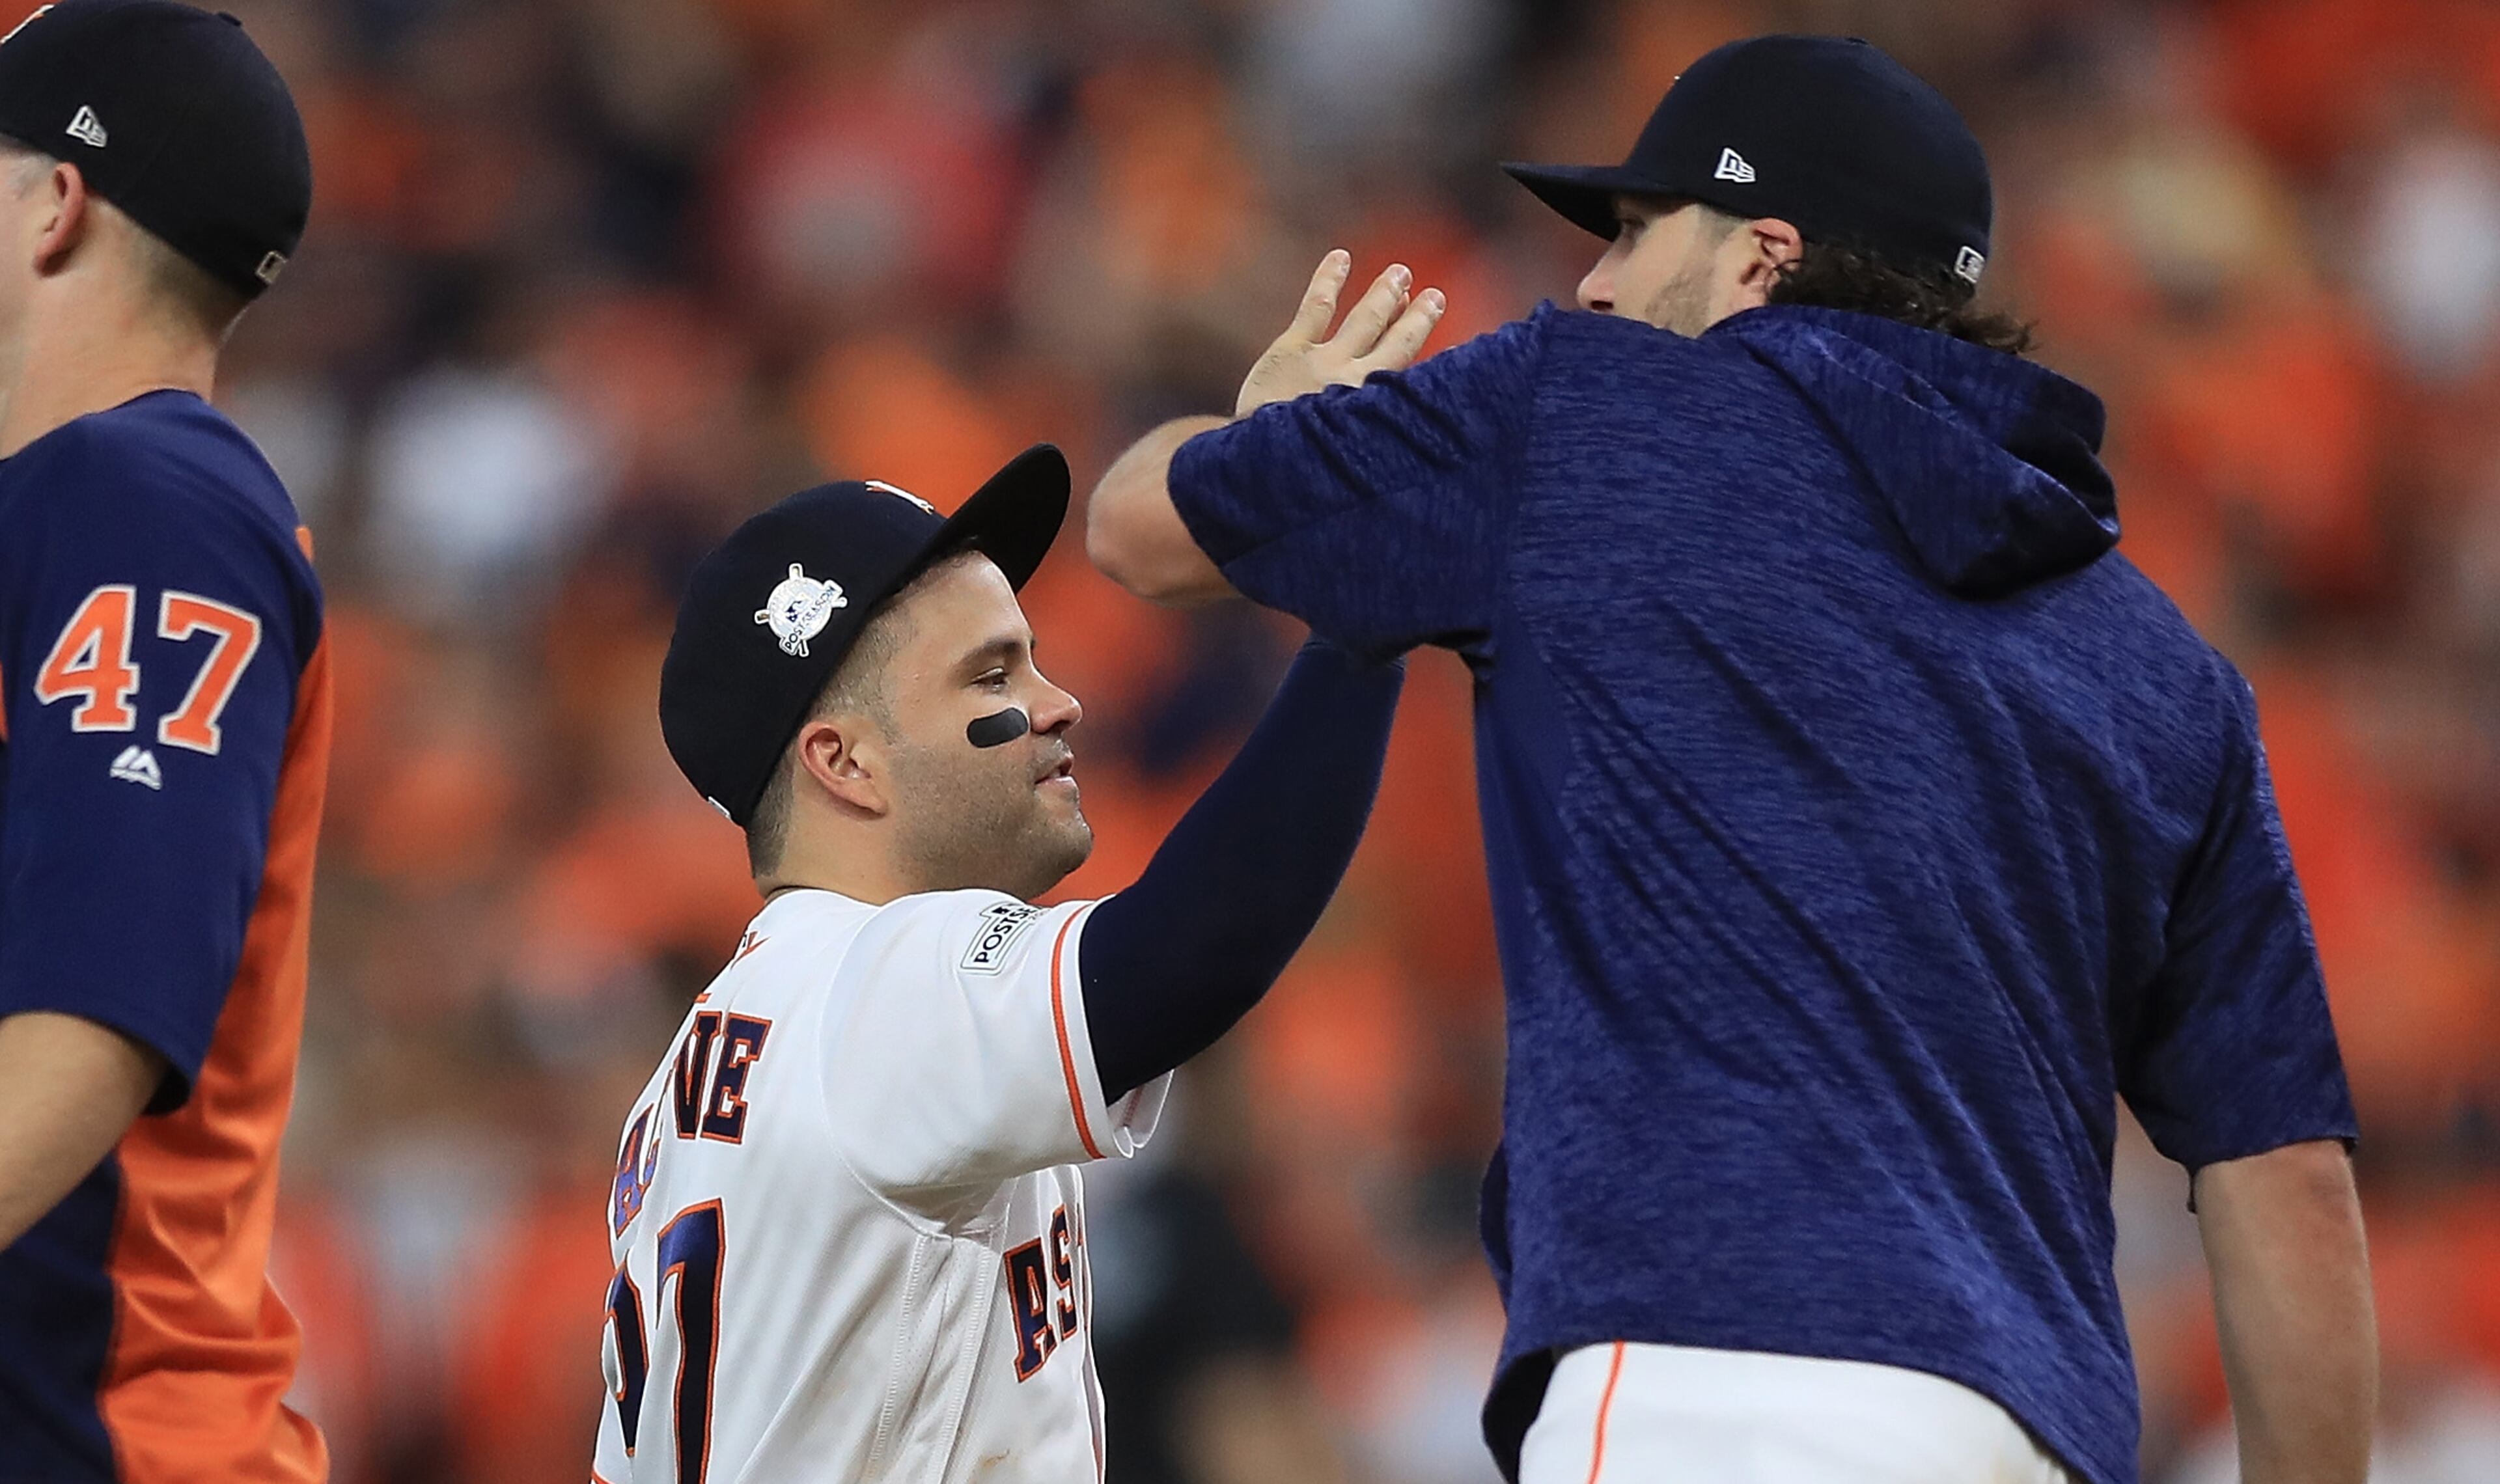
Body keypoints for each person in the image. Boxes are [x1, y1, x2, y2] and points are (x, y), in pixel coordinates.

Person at [1085, 33, 2373, 1484]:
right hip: (2033, 1432)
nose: (1595, 281)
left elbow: (1136, 529)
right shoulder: (2167, 669)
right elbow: (2292, 1186)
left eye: (1636, 232)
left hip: (1708, 1381)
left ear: (1762, 256)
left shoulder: (1581, 407)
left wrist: (1280, 430)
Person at [591, 444, 1402, 1481]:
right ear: (844, 762)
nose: (1061, 703)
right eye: (992, 674)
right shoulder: (875, 983)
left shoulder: (710, 1059)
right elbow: (1198, 945)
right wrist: (1367, 606)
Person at [0, 1, 330, 1478]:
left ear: (54, 202)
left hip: (103, 1429)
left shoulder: (145, 499)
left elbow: (88, 1031)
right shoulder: (83, 504)